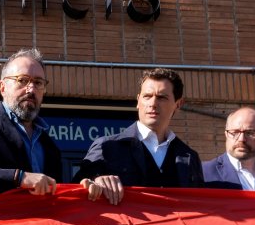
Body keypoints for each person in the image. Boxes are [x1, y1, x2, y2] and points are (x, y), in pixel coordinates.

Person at [0, 48, 100, 204]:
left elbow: (56, 201)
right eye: (22, 80)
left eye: (38, 82)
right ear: (2, 87)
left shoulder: (50, 148)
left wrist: (79, 188)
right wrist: (18, 178)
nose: (31, 89)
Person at [73, 68, 204, 205]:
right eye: (147, 96)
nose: (152, 104)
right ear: (138, 101)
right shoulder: (107, 147)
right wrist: (95, 180)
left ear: (178, 104)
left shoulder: (189, 157)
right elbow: (75, 191)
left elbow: (201, 205)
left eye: (161, 97)